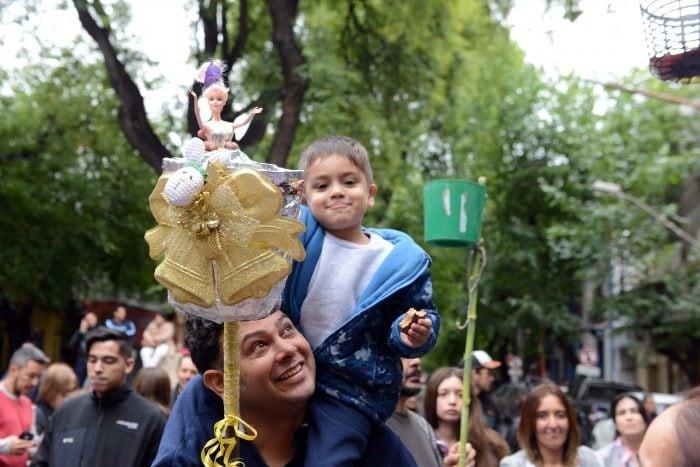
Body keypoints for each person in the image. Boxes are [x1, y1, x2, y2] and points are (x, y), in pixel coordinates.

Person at [283, 135, 440, 465]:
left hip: (351, 389)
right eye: (322, 185)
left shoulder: (399, 261)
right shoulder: (297, 240)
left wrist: (412, 333)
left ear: (369, 195)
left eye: (349, 181)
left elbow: (418, 314)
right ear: (304, 197)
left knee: (331, 458)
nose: (337, 191)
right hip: (291, 375)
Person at [153, 310, 418, 466]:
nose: (288, 350)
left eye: (287, 330)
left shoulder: (357, 429)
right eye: (258, 346)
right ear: (221, 383)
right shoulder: (193, 450)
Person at [36, 327, 165, 467]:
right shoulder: (65, 412)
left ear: (128, 365)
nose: (97, 368)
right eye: (92, 360)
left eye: (108, 361)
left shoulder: (149, 418)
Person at [499, 383, 601, 467]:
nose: (553, 424)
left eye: (560, 415)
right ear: (529, 423)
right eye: (542, 416)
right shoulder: (514, 464)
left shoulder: (587, 460)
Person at [425, 367, 510, 466]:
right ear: (432, 398)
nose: (452, 401)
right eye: (443, 394)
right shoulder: (421, 440)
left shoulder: (491, 443)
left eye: (460, 395)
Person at [190, 60, 262, 151]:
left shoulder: (229, 125)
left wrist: (252, 113)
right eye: (211, 99)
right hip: (209, 156)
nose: (215, 102)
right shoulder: (206, 126)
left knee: (232, 146)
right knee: (206, 145)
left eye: (219, 99)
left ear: (224, 101)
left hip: (226, 157)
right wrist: (195, 99)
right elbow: (197, 114)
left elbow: (244, 123)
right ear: (208, 101)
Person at [387, 357, 442, 467]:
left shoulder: (423, 425)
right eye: (403, 353)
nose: (417, 361)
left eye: (417, 354)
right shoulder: (368, 424)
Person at [0, 346, 49, 467]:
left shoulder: (28, 403)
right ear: (13, 370)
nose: (35, 383)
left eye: (38, 377)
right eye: (31, 376)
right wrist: (4, 446)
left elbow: (32, 443)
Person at [637, 388, 700, 467]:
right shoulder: (649, 419)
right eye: (649, 403)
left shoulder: (658, 416)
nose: (652, 405)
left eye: (653, 403)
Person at [596, 393, 648, 467]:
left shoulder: (661, 450)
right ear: (615, 423)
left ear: (644, 419)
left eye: (634, 411)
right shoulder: (602, 458)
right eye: (622, 413)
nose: (629, 417)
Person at [34, 363, 79, 437]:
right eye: (64, 393)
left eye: (73, 391)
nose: (69, 398)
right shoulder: (38, 414)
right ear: (51, 391)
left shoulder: (72, 412)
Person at [465, 349, 502, 431]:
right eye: (489, 373)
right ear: (474, 373)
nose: (492, 378)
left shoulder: (491, 405)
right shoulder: (458, 403)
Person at [67, 311, 99, 385]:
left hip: (92, 360)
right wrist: (80, 332)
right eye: (87, 319)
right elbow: (71, 345)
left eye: (92, 319)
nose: (89, 321)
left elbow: (89, 344)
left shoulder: (98, 331)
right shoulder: (80, 332)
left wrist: (83, 334)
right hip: (81, 359)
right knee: (78, 381)